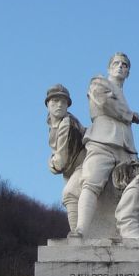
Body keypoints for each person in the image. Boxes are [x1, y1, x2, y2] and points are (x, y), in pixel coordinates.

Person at [71, 52, 139, 238]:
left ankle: (127, 229)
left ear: (128, 72)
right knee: (91, 182)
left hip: (126, 148)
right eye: (116, 63)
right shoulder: (99, 82)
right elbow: (104, 102)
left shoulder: (123, 94)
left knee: (137, 184)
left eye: (124, 65)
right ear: (109, 67)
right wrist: (130, 115)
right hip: (102, 140)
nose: (120, 66)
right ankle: (80, 231)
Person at [44, 84, 84, 233]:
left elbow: (60, 163)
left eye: (63, 101)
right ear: (47, 104)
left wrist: (51, 163)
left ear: (68, 105)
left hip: (83, 165)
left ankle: (77, 235)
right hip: (73, 169)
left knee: (70, 194)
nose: (59, 104)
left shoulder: (67, 124)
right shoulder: (53, 123)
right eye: (55, 100)